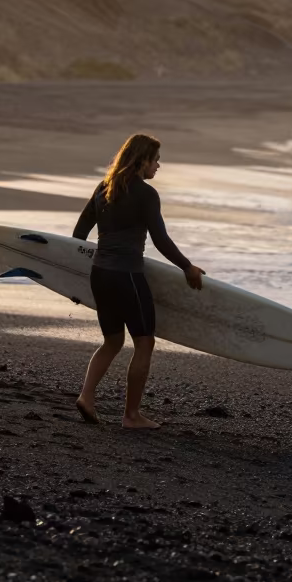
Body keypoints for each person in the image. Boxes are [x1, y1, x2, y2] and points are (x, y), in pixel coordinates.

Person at [72, 133, 205, 429]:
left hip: (100, 275)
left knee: (112, 341)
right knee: (144, 342)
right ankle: (131, 415)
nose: (158, 166)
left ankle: (86, 396)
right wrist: (187, 267)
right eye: (156, 159)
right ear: (142, 160)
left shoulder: (103, 188)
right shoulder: (146, 194)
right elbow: (160, 239)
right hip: (127, 276)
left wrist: (73, 280)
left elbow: (78, 235)